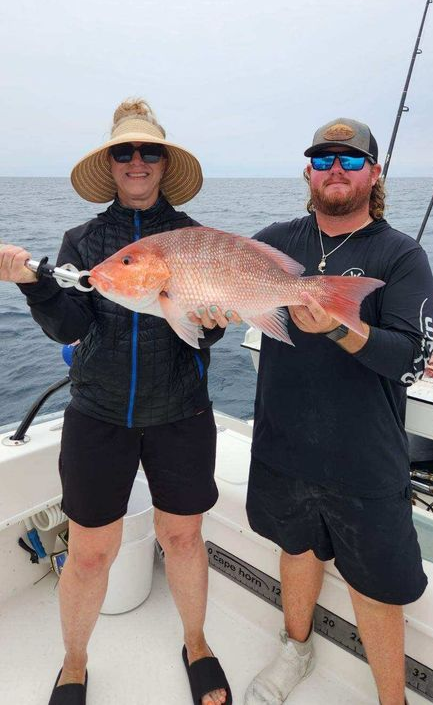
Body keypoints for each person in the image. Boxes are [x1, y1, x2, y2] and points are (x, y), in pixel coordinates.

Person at [0, 99, 232, 705]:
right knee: (89, 552)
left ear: (163, 163)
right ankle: (74, 663)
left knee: (183, 537)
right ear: (111, 163)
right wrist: (35, 285)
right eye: (124, 152)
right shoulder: (83, 240)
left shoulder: (195, 239)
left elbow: (207, 329)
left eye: (148, 151)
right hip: (98, 413)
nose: (136, 162)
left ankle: (197, 644)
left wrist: (212, 324)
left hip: (181, 410)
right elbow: (67, 325)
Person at [244, 118, 433, 705]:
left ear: (373, 174)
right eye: (323, 158)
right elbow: (225, 306)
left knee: (376, 586)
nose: (335, 169)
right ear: (308, 171)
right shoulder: (274, 242)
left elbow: (410, 360)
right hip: (282, 446)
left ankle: (391, 698)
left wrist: (341, 329)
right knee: (296, 550)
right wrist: (201, 316)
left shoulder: (400, 254)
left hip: (364, 459)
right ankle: (295, 648)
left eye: (350, 161)